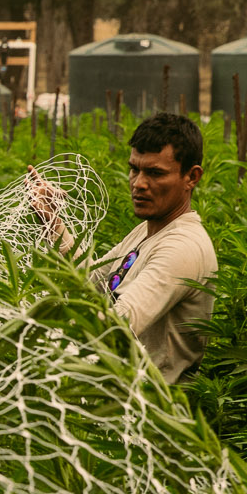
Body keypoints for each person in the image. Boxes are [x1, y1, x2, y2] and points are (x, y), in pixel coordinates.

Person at [92, 110, 216, 382]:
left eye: (155, 173)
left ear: (192, 177)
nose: (138, 184)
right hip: (120, 393)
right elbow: (91, 282)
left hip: (154, 403)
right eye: (134, 169)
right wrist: (54, 224)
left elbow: (119, 323)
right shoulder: (148, 230)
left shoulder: (183, 247)